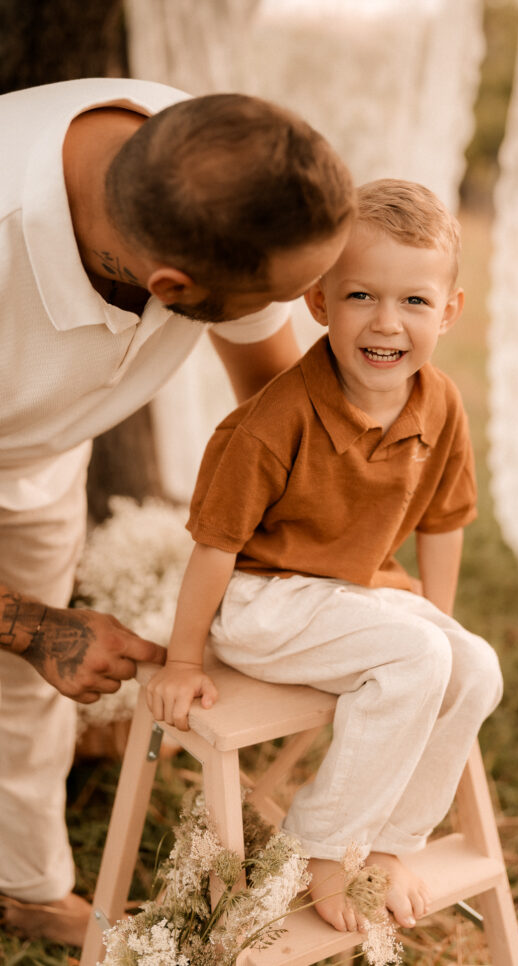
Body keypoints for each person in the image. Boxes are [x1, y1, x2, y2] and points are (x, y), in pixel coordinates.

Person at [0, 76, 355, 946]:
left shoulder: (220, 178)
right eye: (280, 297)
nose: (298, 310)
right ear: (171, 283)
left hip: (34, 460)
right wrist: (36, 625)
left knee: (21, 688)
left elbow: (273, 402)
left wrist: (333, 550)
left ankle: (24, 887)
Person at [146, 178, 504, 934]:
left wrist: (438, 627)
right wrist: (182, 660)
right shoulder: (276, 419)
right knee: (416, 657)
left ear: (449, 311)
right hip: (260, 601)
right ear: (318, 302)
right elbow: (215, 547)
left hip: (350, 593)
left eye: (414, 301)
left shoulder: (439, 402)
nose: (387, 322)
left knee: (473, 665)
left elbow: (444, 521)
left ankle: (391, 843)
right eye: (360, 295)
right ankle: (321, 849)